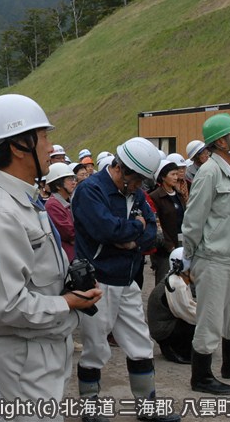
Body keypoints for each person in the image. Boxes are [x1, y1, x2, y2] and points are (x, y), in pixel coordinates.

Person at [0, 94, 101, 422]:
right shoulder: (0, 213)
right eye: (44, 137)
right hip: (26, 356)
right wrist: (68, 303)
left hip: (41, 347)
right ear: (18, 146)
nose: (50, 147)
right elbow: (7, 306)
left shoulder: (22, 198)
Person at [73, 137, 179, 422]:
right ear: (121, 169)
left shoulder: (137, 193)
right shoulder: (90, 190)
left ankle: (147, 405)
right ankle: (90, 406)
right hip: (98, 281)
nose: (140, 187)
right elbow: (106, 231)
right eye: (137, 180)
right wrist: (134, 230)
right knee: (95, 347)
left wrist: (131, 239)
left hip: (127, 278)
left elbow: (151, 234)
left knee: (140, 343)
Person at [181, 114, 230, 396]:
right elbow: (193, 221)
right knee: (210, 319)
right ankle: (201, 377)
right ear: (221, 142)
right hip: (213, 259)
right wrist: (190, 259)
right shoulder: (209, 173)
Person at [146, 247, 195, 366]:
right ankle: (176, 350)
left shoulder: (177, 279)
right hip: (164, 331)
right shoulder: (176, 284)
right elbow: (187, 312)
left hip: (165, 327)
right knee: (196, 326)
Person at [149, 160, 185, 285]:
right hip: (165, 248)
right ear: (163, 177)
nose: (176, 177)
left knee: (181, 281)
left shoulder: (179, 195)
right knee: (164, 282)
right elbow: (157, 224)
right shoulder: (155, 197)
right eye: (173, 174)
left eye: (177, 174)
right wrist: (169, 245)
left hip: (182, 242)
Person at [44, 162, 78, 261]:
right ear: (58, 185)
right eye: (69, 179)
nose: (74, 182)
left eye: (73, 178)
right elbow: (70, 234)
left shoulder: (69, 200)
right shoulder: (52, 205)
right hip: (70, 258)